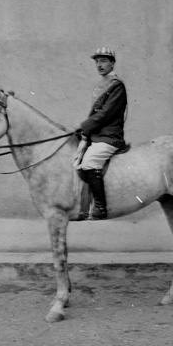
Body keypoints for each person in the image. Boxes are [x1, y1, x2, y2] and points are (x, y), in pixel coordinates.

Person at [75, 47, 128, 220]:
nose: (99, 64)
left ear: (112, 63)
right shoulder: (102, 84)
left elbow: (105, 114)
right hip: (97, 136)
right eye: (97, 61)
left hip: (109, 136)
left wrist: (84, 126)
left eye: (104, 60)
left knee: (89, 162)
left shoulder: (116, 86)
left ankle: (100, 208)